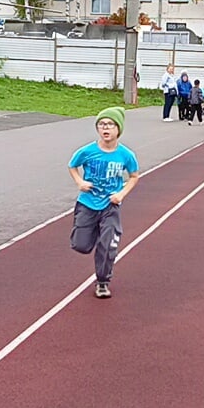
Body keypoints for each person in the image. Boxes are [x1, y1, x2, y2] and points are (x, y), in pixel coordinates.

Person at [68, 107, 140, 299]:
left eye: (110, 125)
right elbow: (72, 166)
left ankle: (102, 282)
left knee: (108, 245)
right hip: (88, 203)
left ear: (118, 129)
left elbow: (134, 176)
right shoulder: (87, 151)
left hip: (111, 205)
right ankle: (89, 234)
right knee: (81, 245)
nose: (105, 128)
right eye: (102, 125)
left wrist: (122, 194)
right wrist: (79, 182)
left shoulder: (126, 155)